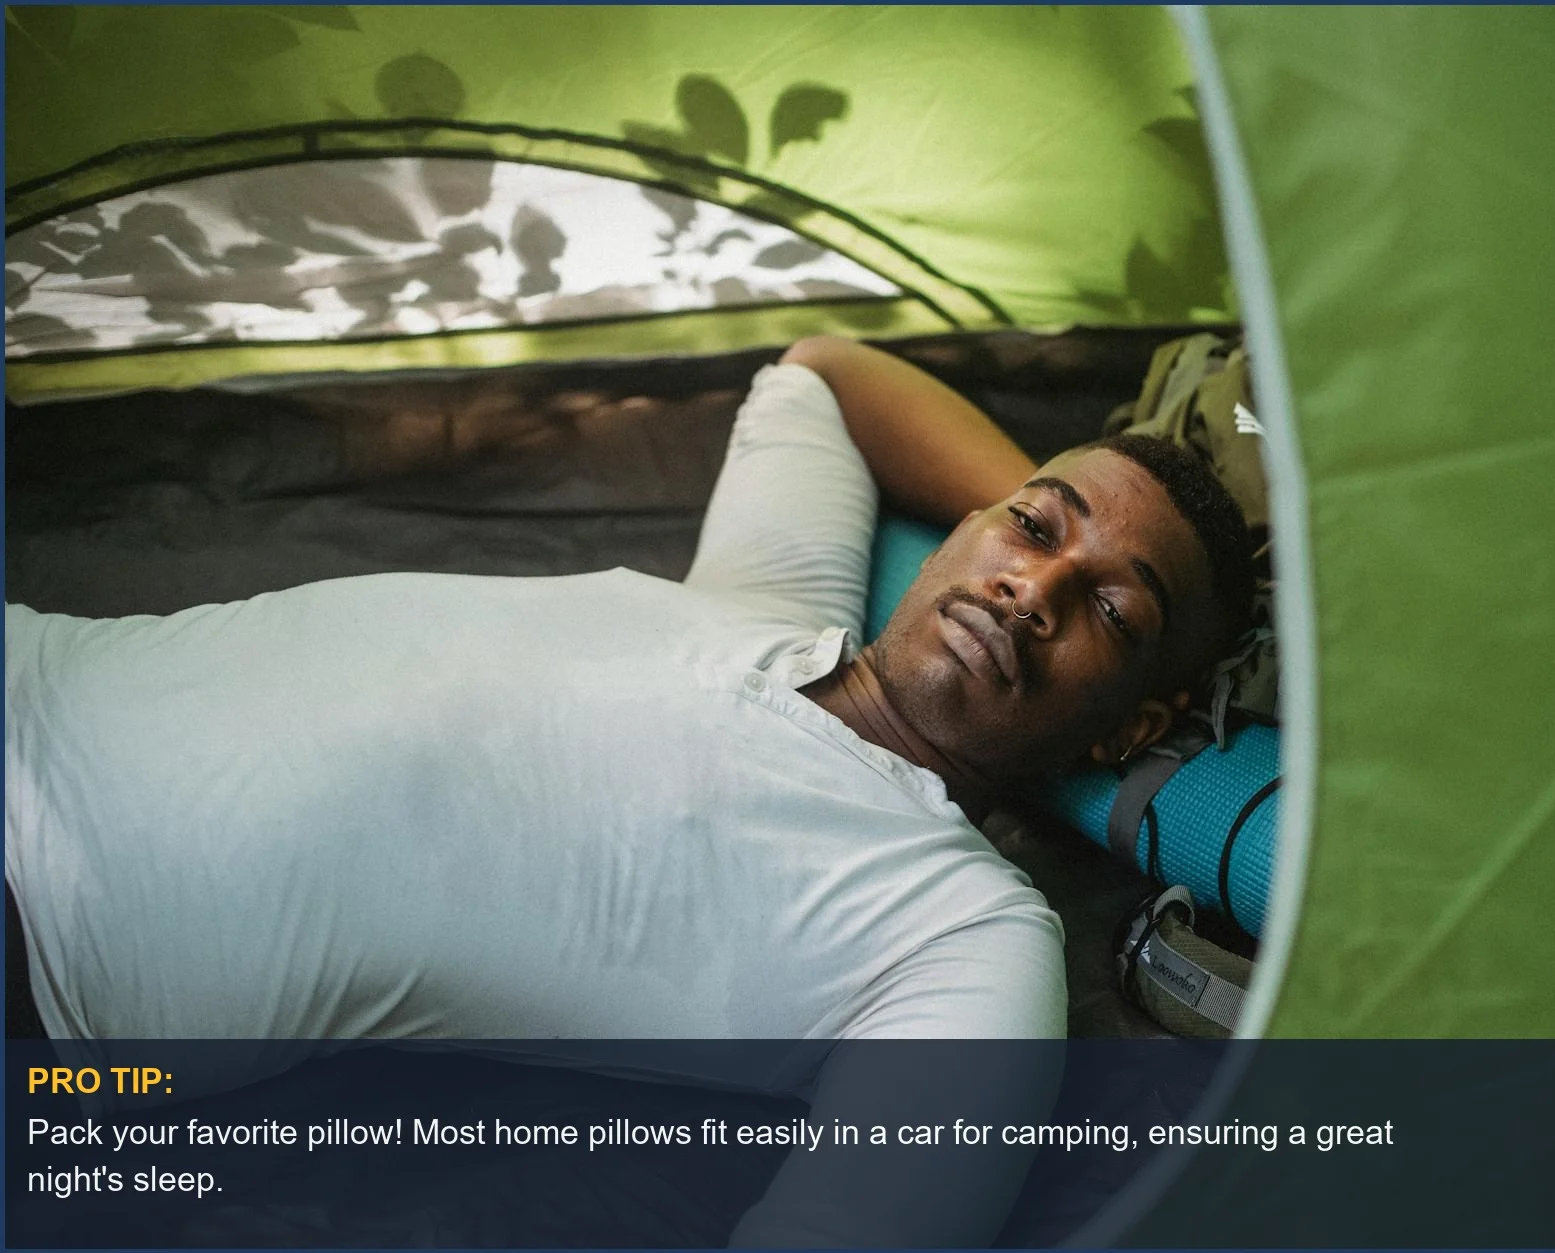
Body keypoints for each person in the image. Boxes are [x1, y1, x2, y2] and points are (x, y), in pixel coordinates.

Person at [3, 335, 1253, 1243]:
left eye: (1106, 609)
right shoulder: (768, 598)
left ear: (1125, 730)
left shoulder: (956, 936)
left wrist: (1056, 519)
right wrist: (1062, 505)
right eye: (1032, 529)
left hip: (45, 944)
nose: (1033, 590)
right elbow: (826, 372)